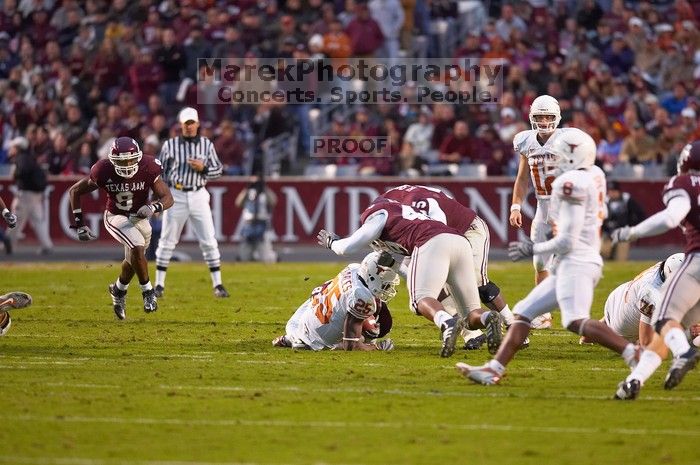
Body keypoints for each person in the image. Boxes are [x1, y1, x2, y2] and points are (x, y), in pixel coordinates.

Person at [457, 128, 640, 385]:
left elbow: (567, 240)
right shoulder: (595, 174)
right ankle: (494, 369)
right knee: (523, 313)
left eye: (562, 156)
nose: (556, 160)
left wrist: (531, 248)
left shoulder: (570, 185)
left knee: (575, 321)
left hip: (578, 261)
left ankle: (634, 353)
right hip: (576, 260)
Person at [317, 197, 502, 358]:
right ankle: (488, 318)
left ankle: (446, 322)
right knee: (470, 314)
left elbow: (348, 247)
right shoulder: (407, 218)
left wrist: (332, 242)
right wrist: (395, 265)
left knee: (421, 300)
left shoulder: (378, 214)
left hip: (432, 242)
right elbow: (414, 270)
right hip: (459, 241)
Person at [380, 184, 523, 349]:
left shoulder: (413, 203)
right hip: (442, 235)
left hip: (468, 229)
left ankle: (513, 325)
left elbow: (436, 228)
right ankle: (472, 335)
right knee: (434, 287)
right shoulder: (404, 200)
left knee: (477, 283)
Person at [611, 141, 700, 399]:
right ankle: (633, 382)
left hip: (697, 260)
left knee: (664, 320)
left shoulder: (683, 185)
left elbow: (671, 217)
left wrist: (633, 232)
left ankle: (683, 354)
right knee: (672, 330)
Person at [69, 137, 174, 320]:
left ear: (138, 157)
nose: (126, 165)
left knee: (135, 259)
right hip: (115, 216)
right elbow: (75, 191)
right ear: (112, 159)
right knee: (137, 246)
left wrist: (153, 207)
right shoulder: (103, 170)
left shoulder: (148, 166)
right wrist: (79, 224)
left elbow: (168, 198)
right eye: (121, 161)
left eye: (130, 160)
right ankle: (148, 292)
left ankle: (118, 289)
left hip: (139, 217)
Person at [509, 95, 579, 329]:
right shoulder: (525, 141)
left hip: (566, 207)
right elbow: (522, 178)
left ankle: (577, 313)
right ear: (532, 117)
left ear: (557, 117)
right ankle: (545, 314)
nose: (545, 120)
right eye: (540, 116)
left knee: (570, 263)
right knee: (540, 264)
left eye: (549, 116)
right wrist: (516, 205)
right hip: (542, 207)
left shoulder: (568, 139)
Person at [154, 107, 228, 298]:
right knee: (167, 241)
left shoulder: (206, 144)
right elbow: (159, 173)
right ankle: (159, 285)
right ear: (181, 125)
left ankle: (218, 284)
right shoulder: (170, 146)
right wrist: (160, 195)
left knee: (209, 240)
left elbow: (218, 170)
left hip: (198, 193)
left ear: (197, 124)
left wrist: (203, 169)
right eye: (185, 124)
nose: (188, 127)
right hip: (177, 194)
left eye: (191, 123)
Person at [272, 251, 397, 351]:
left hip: (300, 319)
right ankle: (304, 341)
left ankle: (295, 337)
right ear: (372, 277)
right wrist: (376, 348)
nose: (386, 287)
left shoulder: (354, 268)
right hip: (317, 340)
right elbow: (351, 346)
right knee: (372, 329)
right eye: (385, 284)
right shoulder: (362, 297)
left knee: (352, 308)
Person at [582, 254, 685, 347]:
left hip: (618, 297)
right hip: (622, 326)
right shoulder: (652, 294)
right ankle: (606, 331)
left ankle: (594, 331)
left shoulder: (666, 267)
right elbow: (645, 342)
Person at [5, 136, 54, 255]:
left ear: (18, 148)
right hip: (35, 195)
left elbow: (21, 172)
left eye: (13, 147)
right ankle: (47, 245)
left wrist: (16, 174)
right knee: (38, 221)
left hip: (25, 196)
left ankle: (7, 244)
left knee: (14, 220)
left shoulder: (21, 159)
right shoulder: (30, 158)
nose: (11, 149)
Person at [235, 174, 277, 263]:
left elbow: (273, 201)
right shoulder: (247, 193)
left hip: (261, 223)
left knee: (265, 257)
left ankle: (272, 256)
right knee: (244, 257)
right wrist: (247, 189)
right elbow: (238, 203)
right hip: (249, 224)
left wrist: (264, 188)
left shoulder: (264, 193)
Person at [600, 180, 645, 261]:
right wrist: (604, 228)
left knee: (621, 259)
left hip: (623, 233)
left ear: (619, 191)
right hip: (608, 232)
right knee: (603, 253)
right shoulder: (605, 201)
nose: (612, 194)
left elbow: (640, 214)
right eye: (610, 191)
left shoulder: (627, 200)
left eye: (614, 191)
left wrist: (632, 227)